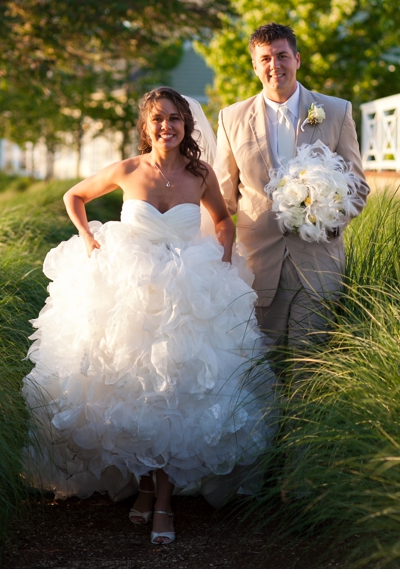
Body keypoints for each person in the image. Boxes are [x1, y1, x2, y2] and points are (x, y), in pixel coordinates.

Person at [22, 87, 276, 545]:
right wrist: (87, 237)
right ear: (146, 126)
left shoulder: (199, 174)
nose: (167, 126)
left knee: (175, 393)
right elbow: (74, 197)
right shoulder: (128, 169)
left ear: (187, 125)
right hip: (129, 294)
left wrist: (220, 258)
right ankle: (142, 488)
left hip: (186, 294)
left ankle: (162, 502)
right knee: (136, 392)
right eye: (158, 119)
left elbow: (222, 220)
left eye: (176, 118)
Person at [214, 22, 369, 348]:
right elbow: (222, 199)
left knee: (308, 366)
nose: (275, 66)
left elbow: (357, 186)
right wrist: (210, 257)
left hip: (319, 263)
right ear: (255, 65)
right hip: (257, 267)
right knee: (261, 368)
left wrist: (324, 218)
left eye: (282, 56)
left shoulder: (337, 111)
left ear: (297, 59)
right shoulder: (231, 119)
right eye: (266, 58)